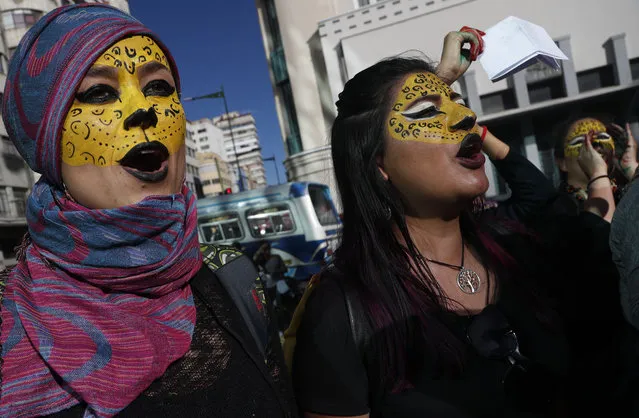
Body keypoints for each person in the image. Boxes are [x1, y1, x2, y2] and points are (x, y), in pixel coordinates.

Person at [0, 4, 295, 417]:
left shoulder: (233, 276)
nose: (145, 110)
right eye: (99, 93)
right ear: (47, 137)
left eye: (158, 87)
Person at [291, 28, 571, 418]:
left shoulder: (511, 245)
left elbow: (546, 202)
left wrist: (439, 89)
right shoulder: (343, 308)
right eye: (426, 113)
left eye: (459, 105)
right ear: (378, 165)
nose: (467, 117)